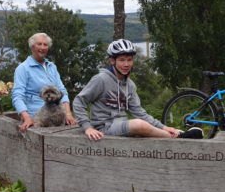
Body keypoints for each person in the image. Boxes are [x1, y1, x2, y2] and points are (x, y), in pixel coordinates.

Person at [73, 39, 203, 141]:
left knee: (140, 124)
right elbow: (79, 101)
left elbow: (139, 113)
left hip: (121, 125)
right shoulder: (101, 79)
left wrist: (164, 127)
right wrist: (87, 128)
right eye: (122, 60)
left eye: (129, 60)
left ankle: (177, 133)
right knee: (138, 125)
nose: (126, 64)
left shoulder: (130, 85)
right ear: (112, 60)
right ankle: (179, 137)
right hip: (103, 128)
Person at [12, 32, 76, 131]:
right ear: (32, 47)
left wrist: (68, 114)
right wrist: (27, 117)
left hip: (56, 117)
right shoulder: (23, 68)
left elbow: (62, 90)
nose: (42, 47)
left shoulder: (52, 66)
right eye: (39, 44)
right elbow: (17, 95)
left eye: (45, 44)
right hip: (37, 119)